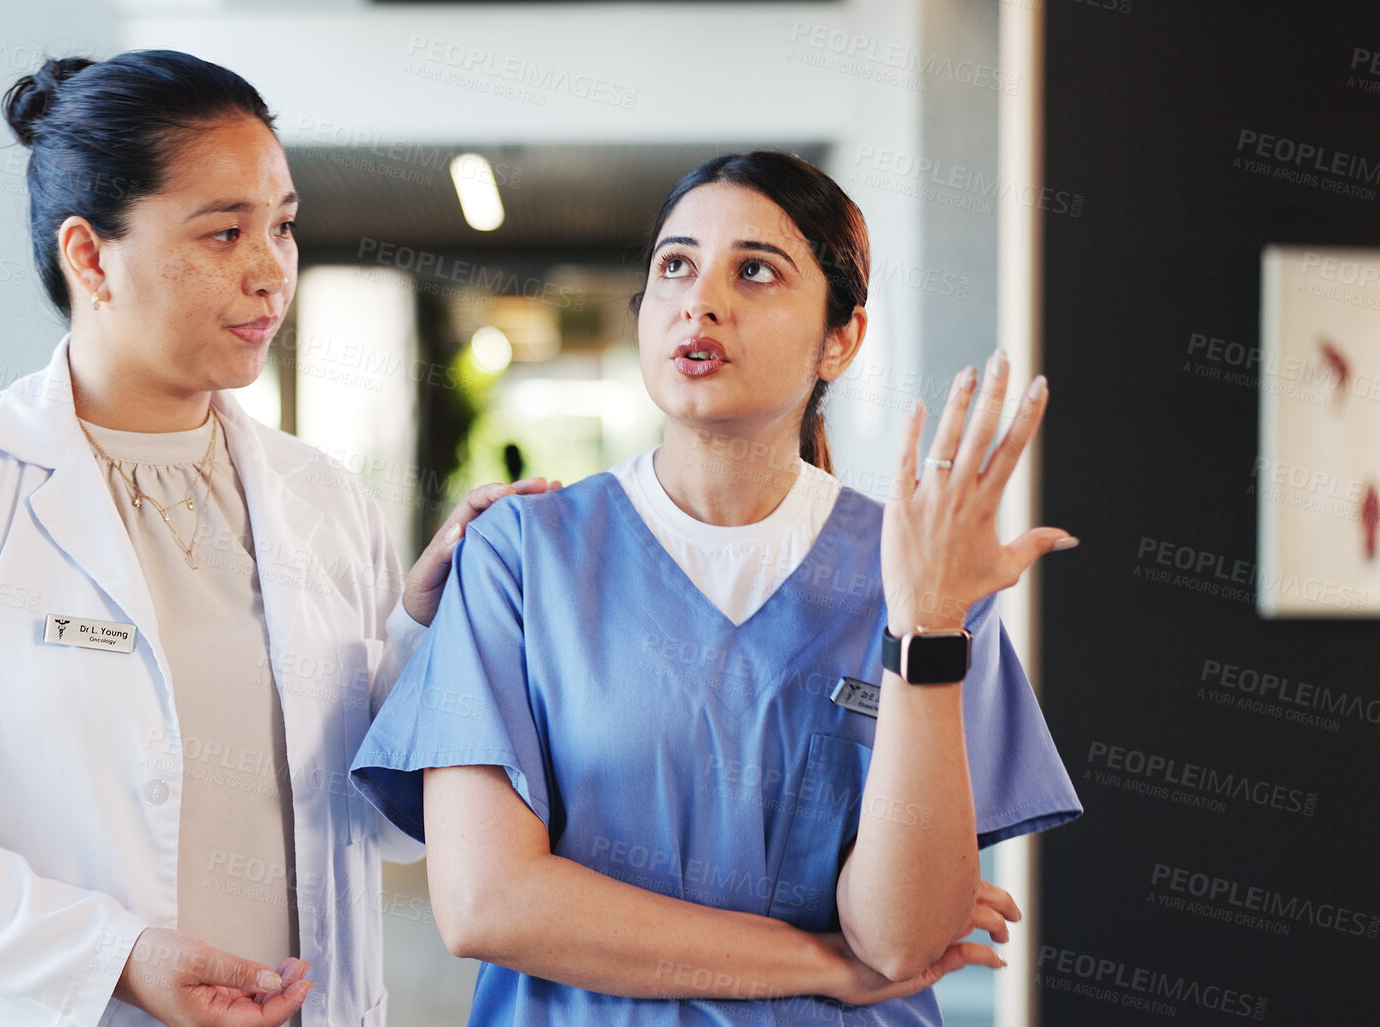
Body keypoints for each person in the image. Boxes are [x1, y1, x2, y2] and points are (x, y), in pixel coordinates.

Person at [0, 50, 547, 1027]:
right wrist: (115, 959)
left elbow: (385, 823)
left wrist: (426, 619)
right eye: (224, 232)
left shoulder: (322, 499)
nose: (270, 270)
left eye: (283, 226)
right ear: (89, 256)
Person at [351, 151, 1084, 1025]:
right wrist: (823, 963)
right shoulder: (518, 555)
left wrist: (924, 626)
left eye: (755, 270)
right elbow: (487, 903)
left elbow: (898, 939)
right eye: (675, 265)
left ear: (840, 339)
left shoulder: (919, 574)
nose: (701, 299)